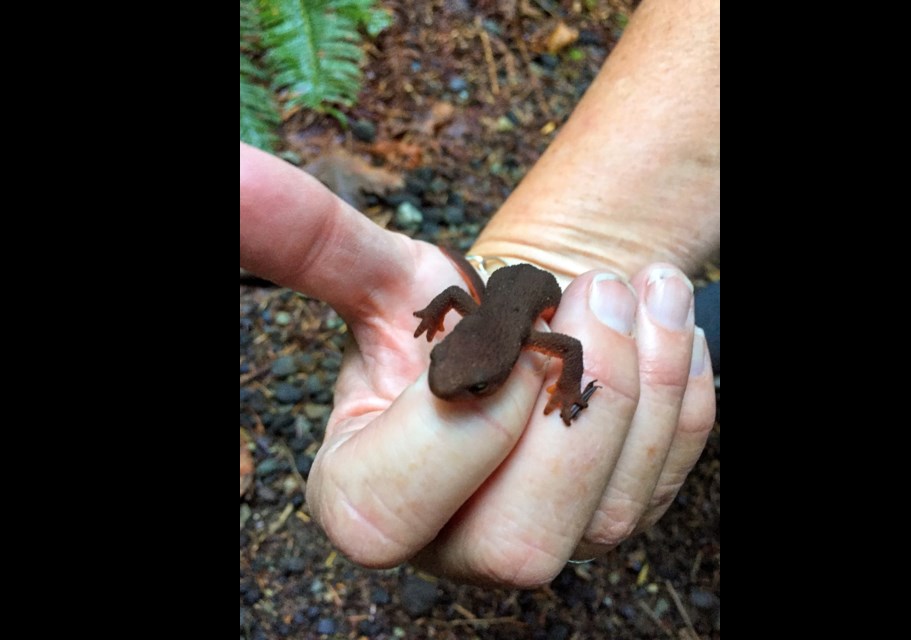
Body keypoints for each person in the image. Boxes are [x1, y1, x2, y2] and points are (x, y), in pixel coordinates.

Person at [239, 0, 719, 588]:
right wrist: (429, 314)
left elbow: (569, 349)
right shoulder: (496, 326)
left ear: (519, 349)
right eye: (445, 360)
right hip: (506, 290)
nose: (444, 384)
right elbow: (456, 300)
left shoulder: (536, 337)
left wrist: (568, 387)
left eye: (481, 384)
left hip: (525, 293)